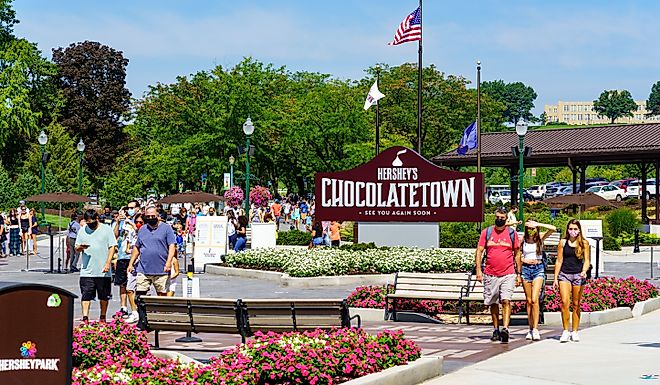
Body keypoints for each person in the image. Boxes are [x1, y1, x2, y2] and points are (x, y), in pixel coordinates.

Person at [475, 207, 521, 343]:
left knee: (506, 300)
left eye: (502, 218)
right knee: (493, 302)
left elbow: (517, 253)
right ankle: (496, 329)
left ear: (506, 219)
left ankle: (505, 328)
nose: (499, 220)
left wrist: (518, 273)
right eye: (497, 217)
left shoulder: (512, 234)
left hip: (508, 273)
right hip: (490, 273)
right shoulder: (487, 232)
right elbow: (479, 251)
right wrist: (479, 270)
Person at [128, 207, 176, 327]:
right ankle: (142, 321)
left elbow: (172, 246)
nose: (150, 218)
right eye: (148, 216)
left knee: (162, 296)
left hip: (161, 268)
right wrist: (131, 263)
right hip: (144, 268)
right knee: (140, 296)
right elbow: (137, 247)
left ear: (158, 216)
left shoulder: (166, 228)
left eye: (153, 216)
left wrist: (169, 262)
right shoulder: (143, 229)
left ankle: (161, 319)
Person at [75, 209, 117, 322]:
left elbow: (112, 246)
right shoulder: (82, 230)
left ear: (97, 219)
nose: (90, 224)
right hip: (87, 269)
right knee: (86, 294)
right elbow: (77, 247)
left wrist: (108, 263)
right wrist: (80, 247)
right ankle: (85, 317)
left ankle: (102, 317)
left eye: (92, 222)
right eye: (88, 222)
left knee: (104, 295)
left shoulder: (107, 230)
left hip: (103, 270)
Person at [554, 219, 591, 343]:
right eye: (570, 229)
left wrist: (584, 271)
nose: (573, 231)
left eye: (575, 229)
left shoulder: (584, 243)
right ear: (567, 230)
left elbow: (587, 260)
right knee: (564, 302)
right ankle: (565, 330)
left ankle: (575, 331)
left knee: (576, 304)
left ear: (579, 230)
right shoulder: (563, 242)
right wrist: (555, 278)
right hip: (564, 274)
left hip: (578, 275)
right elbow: (559, 260)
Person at [520, 219, 557, 341]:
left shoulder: (540, 238)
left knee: (535, 299)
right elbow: (515, 253)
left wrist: (538, 224)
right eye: (529, 228)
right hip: (526, 269)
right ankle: (530, 328)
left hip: (538, 268)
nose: (531, 230)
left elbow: (553, 228)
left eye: (533, 228)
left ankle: (535, 328)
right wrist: (522, 260)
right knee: (529, 301)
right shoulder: (523, 239)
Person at [113, 208, 139, 321]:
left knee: (134, 284)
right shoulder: (119, 223)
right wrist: (118, 222)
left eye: (124, 212)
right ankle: (123, 307)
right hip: (122, 256)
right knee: (122, 283)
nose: (122, 214)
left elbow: (139, 233)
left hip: (133, 257)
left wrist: (132, 223)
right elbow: (115, 235)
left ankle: (136, 309)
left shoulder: (137, 221)